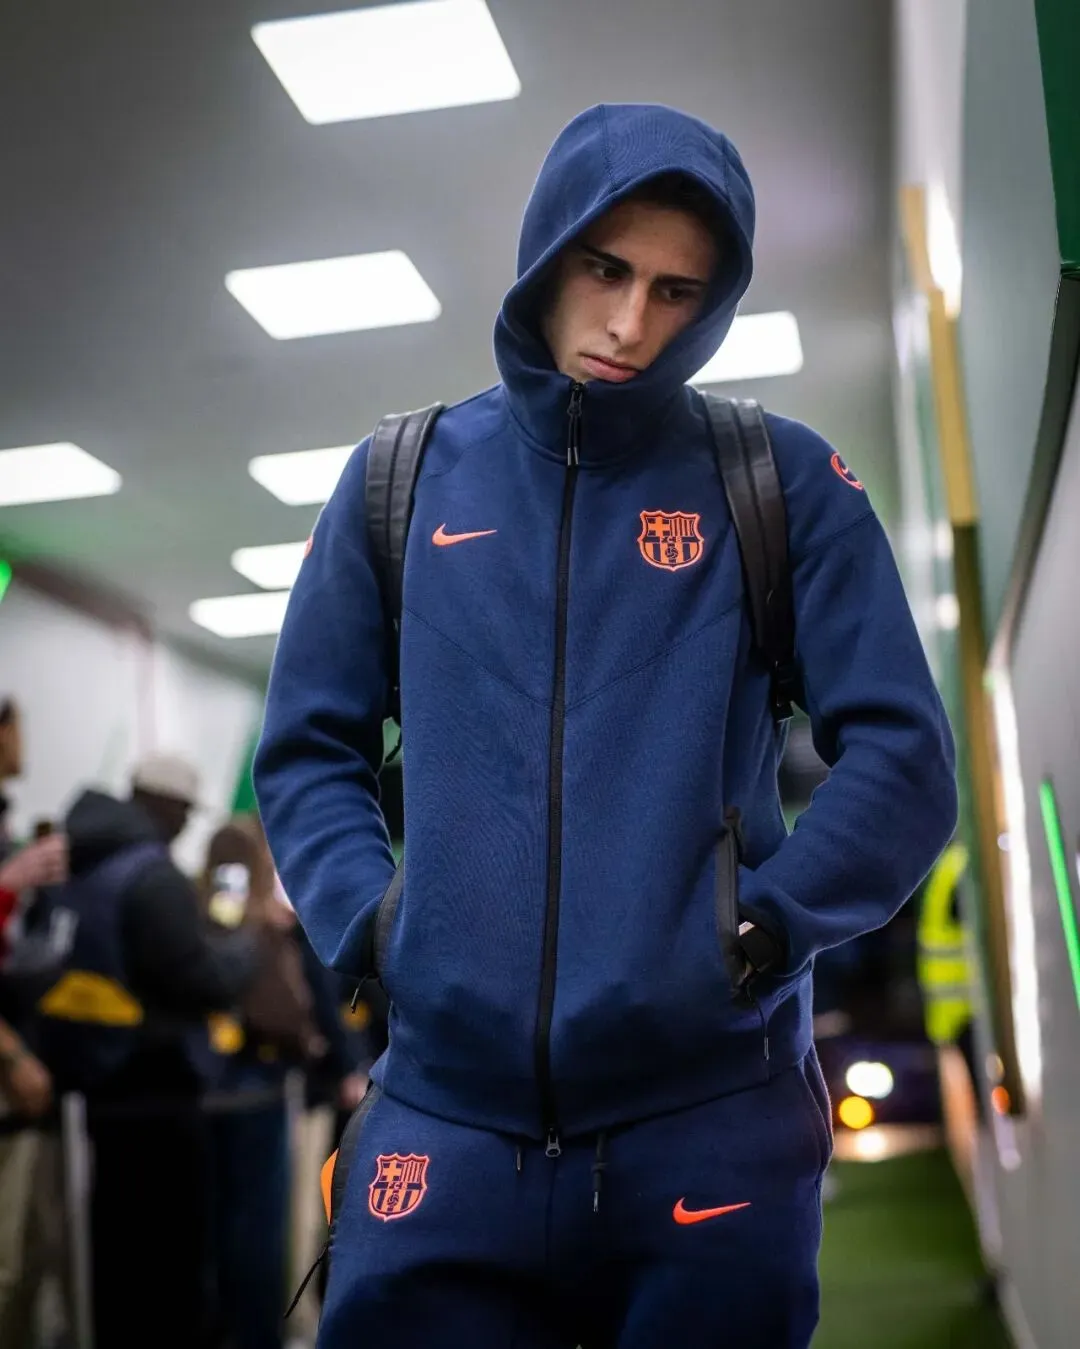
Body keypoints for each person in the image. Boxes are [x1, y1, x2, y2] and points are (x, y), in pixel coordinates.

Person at [254, 103, 958, 1349]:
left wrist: (765, 925)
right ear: (546, 255)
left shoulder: (778, 481)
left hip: (711, 1109)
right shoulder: (397, 483)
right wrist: (376, 920)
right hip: (446, 1114)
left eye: (678, 290)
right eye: (606, 269)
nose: (633, 322)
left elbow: (905, 757)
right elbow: (310, 749)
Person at [35, 752, 255, 1349]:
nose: (185, 825)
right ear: (163, 804)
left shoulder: (79, 861)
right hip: (157, 1095)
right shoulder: (152, 877)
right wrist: (242, 954)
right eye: (183, 812)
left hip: (90, 1080)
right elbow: (198, 980)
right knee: (168, 1260)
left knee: (113, 1257)